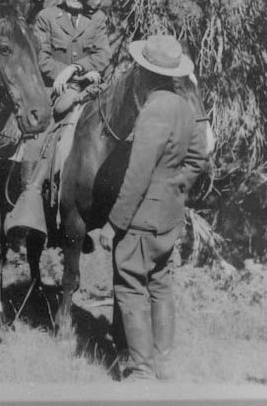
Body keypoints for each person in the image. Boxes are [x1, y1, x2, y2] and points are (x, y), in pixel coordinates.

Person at [98, 34, 209, 382]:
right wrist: (176, 187)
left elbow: (137, 175)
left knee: (130, 285)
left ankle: (141, 370)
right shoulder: (184, 107)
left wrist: (113, 225)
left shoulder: (153, 110)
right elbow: (198, 159)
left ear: (145, 75)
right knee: (161, 285)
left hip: (142, 217)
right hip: (170, 216)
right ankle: (163, 363)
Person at [4, 0, 111, 240]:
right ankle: (29, 204)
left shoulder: (97, 19)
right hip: (53, 90)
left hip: (89, 90)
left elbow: (103, 55)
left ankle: (95, 213)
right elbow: (39, 56)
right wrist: (60, 73)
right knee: (36, 140)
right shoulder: (47, 17)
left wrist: (75, 70)